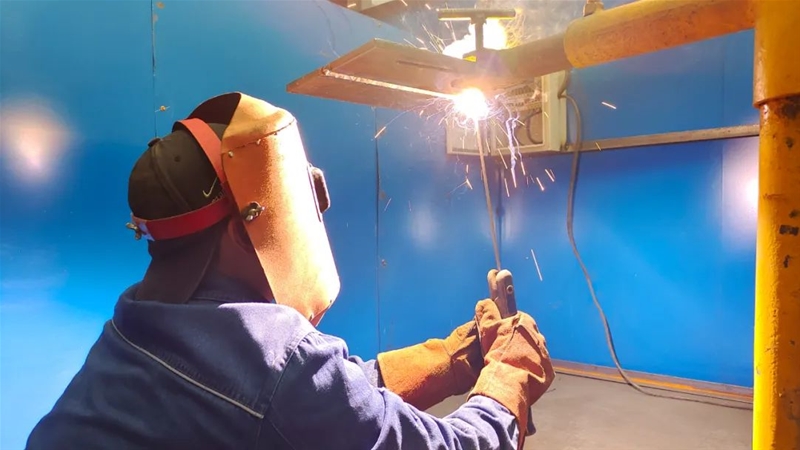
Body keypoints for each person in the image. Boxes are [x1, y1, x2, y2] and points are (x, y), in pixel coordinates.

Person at [26, 92, 554, 450]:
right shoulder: (274, 359)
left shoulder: (137, 319)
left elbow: (320, 399)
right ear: (243, 228)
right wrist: (506, 381)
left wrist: (456, 359)